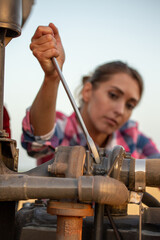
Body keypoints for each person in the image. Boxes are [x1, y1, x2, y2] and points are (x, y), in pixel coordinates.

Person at [21, 23, 160, 165]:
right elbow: (39, 141)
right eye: (113, 95)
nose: (120, 111)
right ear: (87, 91)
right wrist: (52, 77)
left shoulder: (134, 138)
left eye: (130, 105)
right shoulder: (63, 129)